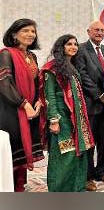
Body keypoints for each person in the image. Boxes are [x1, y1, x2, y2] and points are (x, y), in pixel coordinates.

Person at [39, 34, 95, 192]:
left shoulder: (72, 67)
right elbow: (49, 96)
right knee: (65, 155)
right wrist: (54, 120)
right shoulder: (52, 69)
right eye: (69, 44)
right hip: (62, 119)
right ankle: (59, 190)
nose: (73, 47)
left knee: (78, 154)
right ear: (61, 47)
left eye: (75, 44)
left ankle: (76, 188)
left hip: (76, 120)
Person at [0, 18, 44, 192]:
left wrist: (39, 102)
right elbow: (4, 82)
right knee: (13, 149)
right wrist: (24, 104)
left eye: (33, 31)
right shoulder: (6, 53)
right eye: (25, 30)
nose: (30, 34)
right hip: (11, 110)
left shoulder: (31, 56)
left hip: (31, 110)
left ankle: (19, 185)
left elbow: (37, 81)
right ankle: (8, 188)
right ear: (14, 34)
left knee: (25, 151)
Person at [73, 21, 104, 191]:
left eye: (102, 31)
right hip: (91, 103)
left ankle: (101, 171)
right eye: (96, 30)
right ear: (88, 31)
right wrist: (99, 94)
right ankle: (87, 176)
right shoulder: (81, 49)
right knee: (89, 142)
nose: (99, 33)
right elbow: (82, 74)